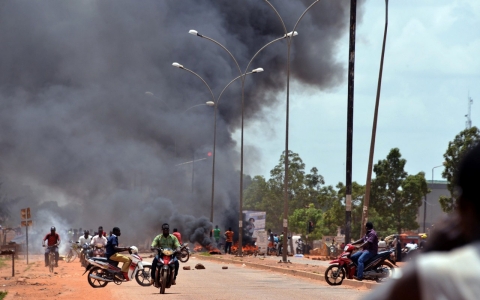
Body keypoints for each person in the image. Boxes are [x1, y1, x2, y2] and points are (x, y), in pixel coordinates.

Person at [364, 142, 480, 300]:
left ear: (462, 207)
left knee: (362, 260)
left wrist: (427, 255)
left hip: (373, 254)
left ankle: (359, 274)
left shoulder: (441, 274)